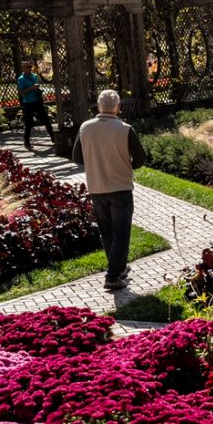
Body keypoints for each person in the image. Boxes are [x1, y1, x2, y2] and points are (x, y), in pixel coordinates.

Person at [72, 89, 146, 292]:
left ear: (98, 106)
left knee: (107, 233)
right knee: (121, 234)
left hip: (97, 187)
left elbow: (77, 157)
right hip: (120, 187)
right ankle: (112, 276)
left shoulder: (85, 128)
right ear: (118, 108)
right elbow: (140, 158)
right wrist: (126, 164)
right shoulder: (125, 129)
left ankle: (119, 269)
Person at [15, 65, 50, 147]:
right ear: (23, 68)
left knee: (45, 119)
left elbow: (37, 86)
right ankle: (26, 142)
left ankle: (53, 137)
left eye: (30, 67)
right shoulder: (21, 79)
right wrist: (31, 88)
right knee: (28, 123)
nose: (29, 69)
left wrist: (38, 90)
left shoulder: (34, 76)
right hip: (28, 103)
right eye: (28, 67)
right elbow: (22, 93)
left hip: (37, 101)